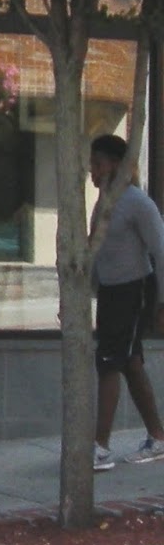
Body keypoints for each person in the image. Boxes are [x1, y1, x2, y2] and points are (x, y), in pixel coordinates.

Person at [90, 133, 164, 469]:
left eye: (98, 163)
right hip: (110, 291)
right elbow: (94, 252)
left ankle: (100, 448)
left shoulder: (137, 202)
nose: (92, 171)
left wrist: (161, 302)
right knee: (129, 363)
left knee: (109, 362)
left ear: (117, 166)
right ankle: (158, 437)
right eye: (91, 164)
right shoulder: (102, 204)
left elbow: (160, 252)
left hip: (135, 290)